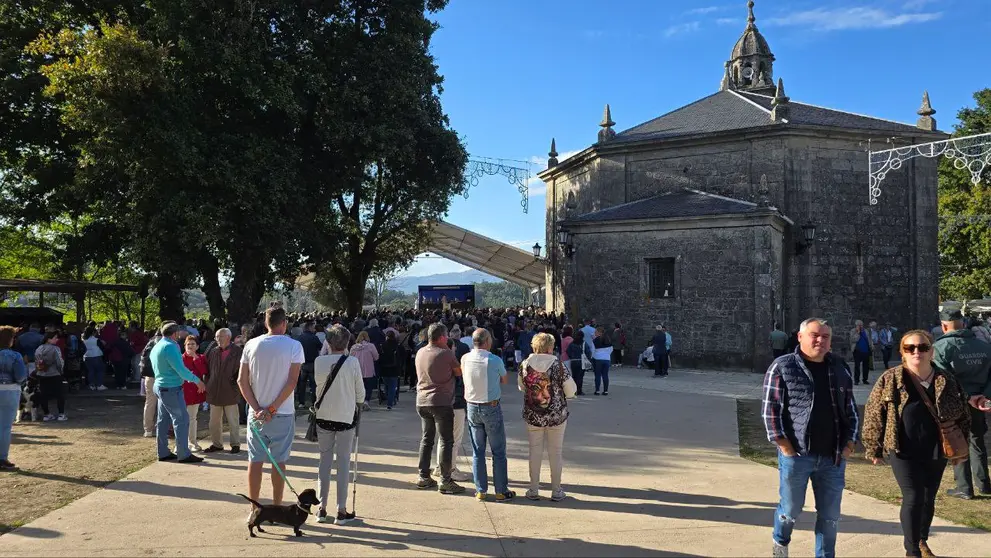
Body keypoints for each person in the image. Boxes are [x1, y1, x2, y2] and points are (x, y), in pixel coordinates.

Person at [863, 330, 972, 558]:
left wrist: (962, 445)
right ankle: (912, 551)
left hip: (937, 448)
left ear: (931, 351)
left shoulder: (946, 379)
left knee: (928, 497)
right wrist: (873, 446)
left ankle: (921, 539)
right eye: (910, 348)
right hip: (902, 448)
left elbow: (963, 414)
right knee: (913, 496)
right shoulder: (891, 378)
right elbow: (874, 413)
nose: (916, 352)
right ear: (902, 352)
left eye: (922, 347)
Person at [762, 318, 858, 558]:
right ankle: (780, 542)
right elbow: (770, 410)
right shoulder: (783, 366)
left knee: (830, 516)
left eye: (825, 337)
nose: (820, 340)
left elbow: (851, 409)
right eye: (815, 335)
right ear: (800, 337)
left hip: (833, 457)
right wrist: (784, 446)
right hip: (797, 455)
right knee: (791, 510)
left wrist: (849, 444)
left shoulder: (840, 367)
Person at [238, 306, 304, 507]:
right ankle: (276, 505)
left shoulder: (251, 344)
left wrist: (257, 408)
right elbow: (292, 382)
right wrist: (273, 408)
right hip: (282, 412)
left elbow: (242, 381)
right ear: (284, 323)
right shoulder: (294, 346)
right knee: (279, 461)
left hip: (256, 413)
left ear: (266, 323)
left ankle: (254, 507)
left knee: (255, 461)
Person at [931, 309, 991, 500]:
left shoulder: (941, 347)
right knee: (977, 440)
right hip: (979, 401)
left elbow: (943, 379)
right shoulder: (983, 345)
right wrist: (983, 396)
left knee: (957, 440)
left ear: (943, 326)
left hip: (957, 401)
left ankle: (964, 487)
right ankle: (983, 483)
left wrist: (966, 397)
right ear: (963, 323)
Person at [313, 324, 364, 525]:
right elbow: (360, 394)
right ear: (347, 343)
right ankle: (341, 510)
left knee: (324, 462)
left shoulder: (319, 361)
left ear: (328, 342)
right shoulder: (352, 362)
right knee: (343, 463)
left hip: (324, 416)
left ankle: (321, 507)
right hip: (345, 417)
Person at [518, 332, 576, 501]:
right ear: (550, 347)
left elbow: (522, 387)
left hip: (533, 414)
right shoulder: (558, 365)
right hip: (556, 415)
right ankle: (556, 490)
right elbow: (570, 389)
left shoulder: (525, 364)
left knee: (534, 451)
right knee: (555, 453)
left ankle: (533, 489)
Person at [413, 323, 465, 494]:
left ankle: (423, 476)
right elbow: (459, 372)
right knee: (446, 440)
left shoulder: (420, 352)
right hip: (441, 401)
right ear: (442, 337)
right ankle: (445, 480)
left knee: (426, 439)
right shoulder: (446, 353)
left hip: (422, 400)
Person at [461, 328, 512, 501]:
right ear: (487, 341)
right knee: (498, 450)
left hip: (472, 406)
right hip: (490, 406)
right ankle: (500, 489)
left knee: (478, 450)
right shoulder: (494, 359)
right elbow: (505, 379)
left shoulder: (465, 358)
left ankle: (481, 489)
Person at [150, 323, 206, 464]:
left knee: (162, 421)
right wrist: (196, 380)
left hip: (160, 386)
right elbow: (180, 369)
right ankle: (183, 454)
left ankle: (162, 452)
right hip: (171, 388)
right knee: (181, 420)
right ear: (175, 334)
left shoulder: (157, 345)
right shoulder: (171, 346)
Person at [203, 328, 243, 454]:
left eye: (221, 336)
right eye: (216, 337)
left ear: (228, 337)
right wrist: (208, 384)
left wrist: (236, 386)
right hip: (214, 390)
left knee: (233, 420)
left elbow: (243, 370)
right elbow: (207, 370)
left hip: (231, 391)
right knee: (214, 422)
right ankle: (217, 444)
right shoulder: (213, 351)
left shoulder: (238, 351)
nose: (218, 339)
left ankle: (235, 444)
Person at [1, 326, 29, 470]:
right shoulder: (15, 355)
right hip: (9, 390)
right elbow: (20, 376)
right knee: (5, 427)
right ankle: (2, 458)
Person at [181, 336, 209, 452]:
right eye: (188, 344)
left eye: (193, 344)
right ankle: (181, 444)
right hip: (182, 393)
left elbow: (204, 371)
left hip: (195, 393)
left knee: (192, 418)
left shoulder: (201, 358)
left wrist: (195, 358)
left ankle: (193, 442)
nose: (190, 346)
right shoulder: (180, 358)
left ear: (197, 346)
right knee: (181, 419)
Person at [33, 332, 67, 421]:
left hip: (41, 373)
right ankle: (61, 414)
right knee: (59, 394)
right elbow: (59, 362)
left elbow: (36, 362)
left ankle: (47, 414)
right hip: (54, 373)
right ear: (49, 339)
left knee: (43, 395)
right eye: (55, 338)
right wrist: (61, 371)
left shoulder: (38, 348)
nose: (57, 339)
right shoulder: (55, 349)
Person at [139, 328, 164, 437]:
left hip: (148, 377)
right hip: (161, 376)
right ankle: (163, 428)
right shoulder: (164, 343)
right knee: (163, 403)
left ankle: (148, 429)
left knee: (149, 403)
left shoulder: (149, 343)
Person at [349, 331, 379, 412]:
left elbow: (350, 358)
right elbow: (376, 357)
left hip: (357, 370)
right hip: (368, 370)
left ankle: (358, 402)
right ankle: (366, 401)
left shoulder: (353, 347)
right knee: (368, 387)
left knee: (358, 387)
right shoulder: (371, 346)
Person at [295, 321, 322, 408]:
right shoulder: (314, 338)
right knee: (313, 384)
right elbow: (320, 347)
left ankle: (301, 402)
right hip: (313, 363)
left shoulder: (299, 338)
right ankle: (313, 401)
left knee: (302, 384)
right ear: (310, 328)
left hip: (302, 363)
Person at [379, 330, 402, 410]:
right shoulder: (397, 346)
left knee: (387, 385)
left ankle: (389, 398)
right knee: (392, 386)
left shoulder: (382, 346)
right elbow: (401, 358)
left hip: (384, 368)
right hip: (394, 369)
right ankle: (390, 403)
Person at [565, 330, 591, 396]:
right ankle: (579, 390)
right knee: (580, 377)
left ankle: (573, 390)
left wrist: (572, 357)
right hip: (581, 361)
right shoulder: (584, 343)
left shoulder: (572, 344)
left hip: (573, 361)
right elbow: (588, 352)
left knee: (574, 376)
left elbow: (568, 351)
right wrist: (587, 359)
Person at [82, 325, 107, 391]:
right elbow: (103, 347)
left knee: (91, 371)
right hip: (96, 356)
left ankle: (91, 385)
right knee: (100, 371)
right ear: (93, 332)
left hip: (87, 357)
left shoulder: (84, 340)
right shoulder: (96, 340)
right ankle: (99, 385)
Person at [849, 320, 873, 385]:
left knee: (866, 366)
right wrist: (858, 333)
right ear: (856, 325)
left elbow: (869, 340)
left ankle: (865, 379)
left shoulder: (866, 331)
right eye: (859, 325)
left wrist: (871, 346)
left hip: (866, 351)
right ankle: (856, 380)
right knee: (857, 366)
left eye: (861, 325)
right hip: (857, 351)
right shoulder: (853, 331)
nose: (860, 326)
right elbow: (853, 340)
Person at [591, 326, 612, 395]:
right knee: (605, 375)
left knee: (597, 375)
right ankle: (606, 390)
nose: (594, 333)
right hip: (606, 359)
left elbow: (592, 350)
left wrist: (593, 357)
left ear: (599, 333)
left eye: (596, 332)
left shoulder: (595, 340)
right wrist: (606, 354)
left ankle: (597, 390)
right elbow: (611, 350)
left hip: (597, 359)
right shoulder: (608, 340)